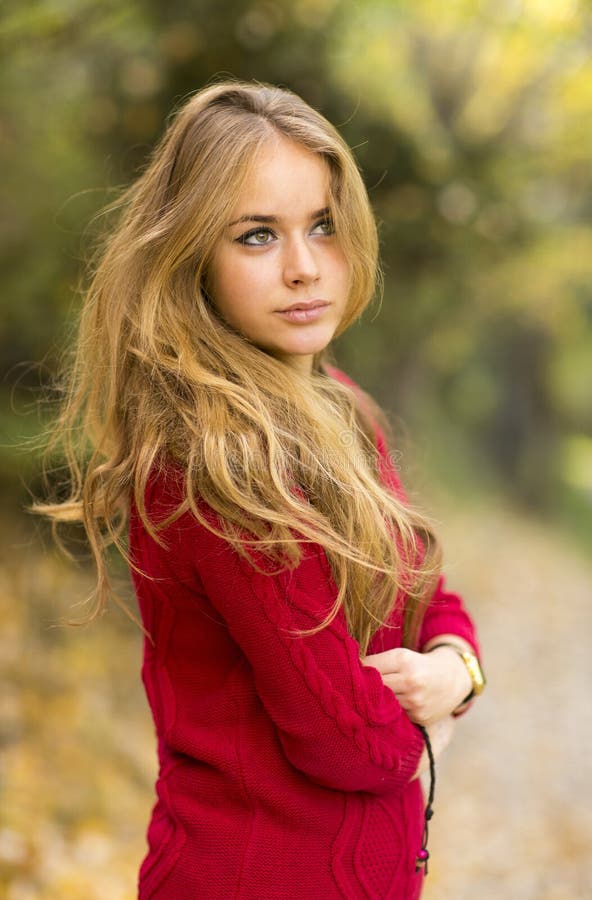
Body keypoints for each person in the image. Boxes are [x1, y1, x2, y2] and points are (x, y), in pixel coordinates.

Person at [36, 80, 484, 899]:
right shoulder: (211, 466)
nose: (304, 267)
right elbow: (345, 739)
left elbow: (429, 593)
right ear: (192, 258)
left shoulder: (341, 411)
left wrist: (457, 668)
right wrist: (429, 725)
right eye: (256, 236)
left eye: (321, 225)